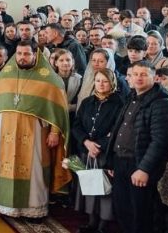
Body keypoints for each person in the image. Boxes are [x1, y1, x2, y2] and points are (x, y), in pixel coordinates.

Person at [0, 40, 71, 219]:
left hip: (35, 134)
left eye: (27, 54)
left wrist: (54, 132)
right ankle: (3, 205)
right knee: (5, 165)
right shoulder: (5, 75)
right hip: (6, 131)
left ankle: (34, 209)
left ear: (35, 55)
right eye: (19, 53)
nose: (22, 57)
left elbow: (58, 109)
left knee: (35, 168)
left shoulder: (50, 79)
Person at [103, 61, 168, 233]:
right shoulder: (132, 96)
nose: (139, 78)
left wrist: (144, 169)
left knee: (141, 214)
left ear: (155, 77)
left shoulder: (161, 102)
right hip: (121, 162)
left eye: (144, 74)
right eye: (135, 74)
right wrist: (112, 160)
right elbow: (120, 128)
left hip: (139, 165)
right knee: (123, 209)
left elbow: (160, 141)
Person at [70, 70, 123, 233]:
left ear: (112, 83)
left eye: (105, 81)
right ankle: (91, 222)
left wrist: (97, 145)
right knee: (89, 186)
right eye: (98, 81)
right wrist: (86, 142)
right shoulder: (87, 102)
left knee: (104, 190)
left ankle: (102, 226)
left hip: (104, 154)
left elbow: (116, 131)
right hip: (86, 151)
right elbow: (77, 125)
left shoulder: (120, 103)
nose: (101, 84)